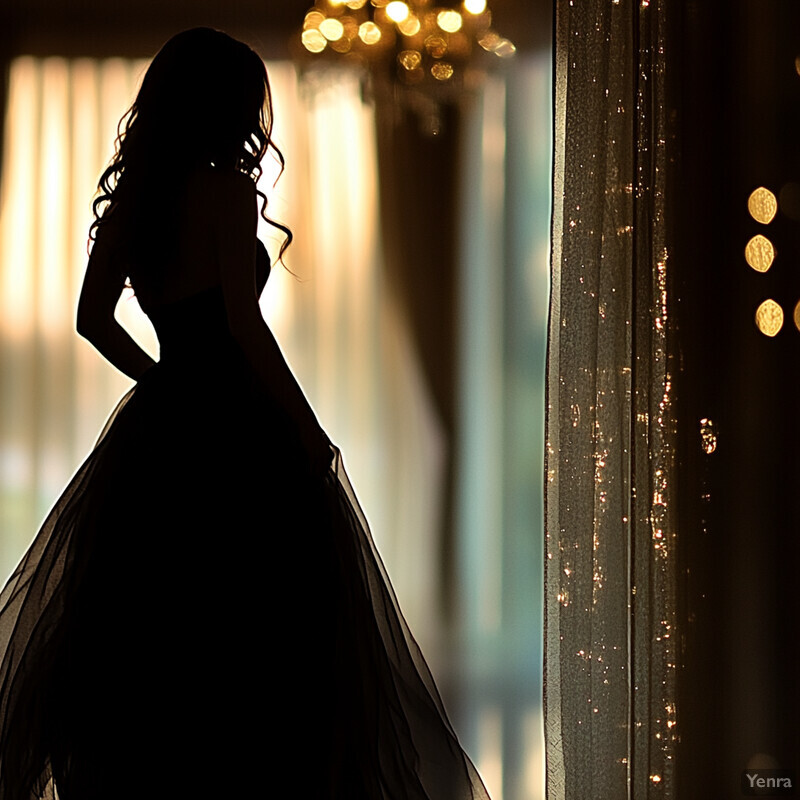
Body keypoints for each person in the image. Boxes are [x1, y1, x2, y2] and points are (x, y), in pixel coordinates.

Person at [0, 27, 491, 800]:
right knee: (262, 629)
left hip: (162, 431)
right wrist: (303, 423)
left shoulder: (138, 198)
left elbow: (91, 319)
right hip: (236, 426)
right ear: (225, 107)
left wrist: (161, 381)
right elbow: (242, 322)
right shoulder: (222, 189)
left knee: (151, 619)